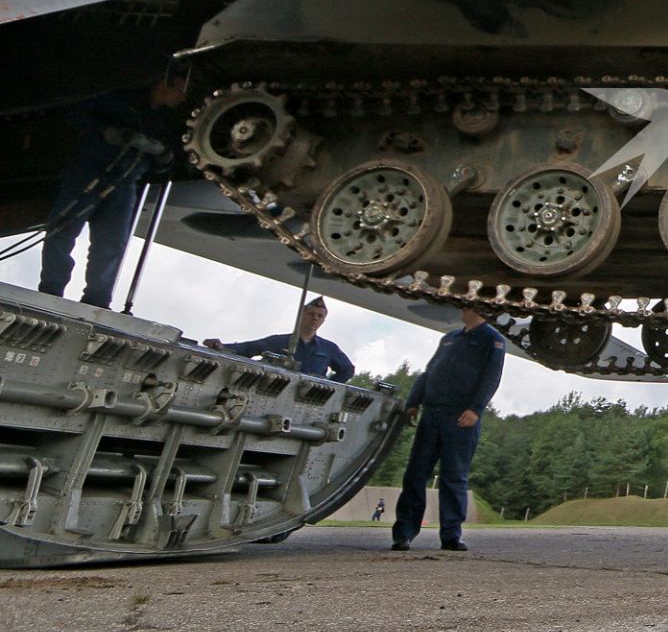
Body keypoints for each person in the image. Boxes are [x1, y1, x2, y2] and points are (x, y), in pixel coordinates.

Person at [38, 76, 188, 309]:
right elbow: (76, 114)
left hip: (126, 182)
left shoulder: (165, 121)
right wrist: (108, 133)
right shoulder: (121, 99)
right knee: (62, 230)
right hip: (88, 172)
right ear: (164, 85)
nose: (182, 98)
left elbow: (173, 158)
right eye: (179, 91)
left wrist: (165, 158)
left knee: (112, 243)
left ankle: (97, 300)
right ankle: (51, 289)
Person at [391, 307, 506, 553]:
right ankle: (404, 533)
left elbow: (491, 377)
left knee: (453, 476)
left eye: (466, 305)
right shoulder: (450, 338)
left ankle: (451, 535)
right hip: (432, 413)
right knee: (415, 474)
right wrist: (413, 402)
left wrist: (476, 409)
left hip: (460, 416)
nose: (461, 309)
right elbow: (429, 372)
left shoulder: (492, 340)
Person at [206, 297, 357, 381]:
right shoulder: (278, 342)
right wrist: (221, 346)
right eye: (311, 314)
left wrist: (326, 387)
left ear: (324, 320)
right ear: (301, 315)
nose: (315, 319)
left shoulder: (329, 348)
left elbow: (347, 370)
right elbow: (248, 349)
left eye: (320, 316)